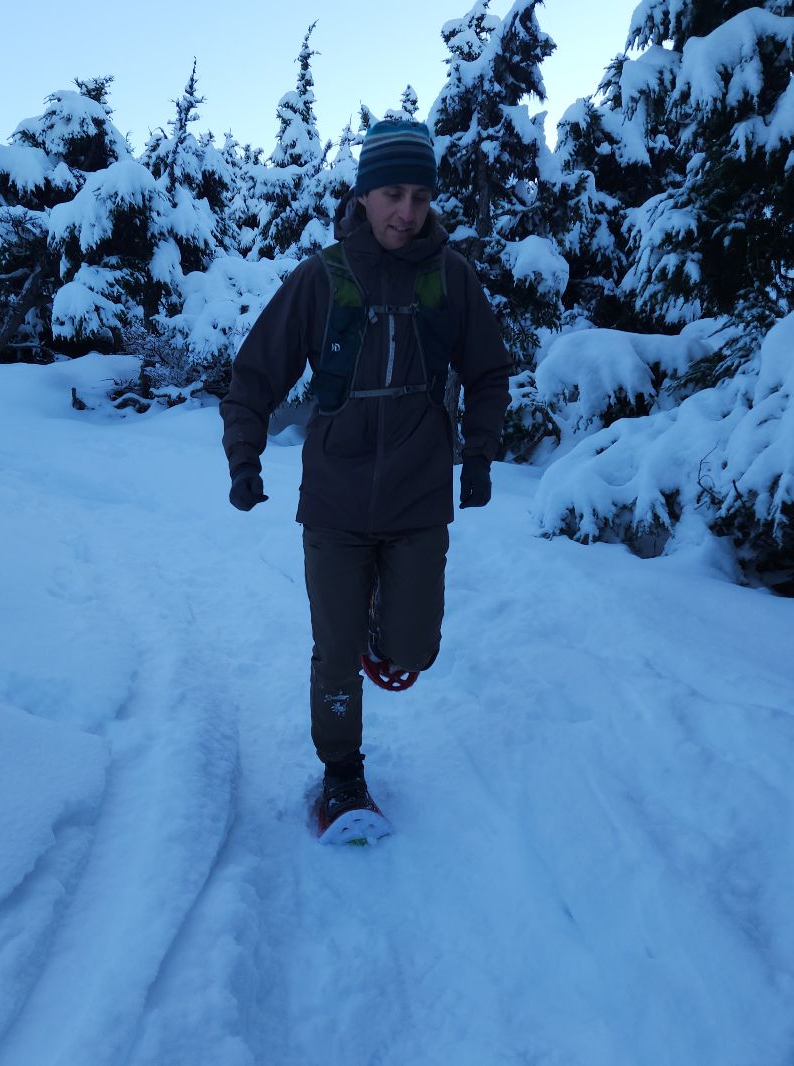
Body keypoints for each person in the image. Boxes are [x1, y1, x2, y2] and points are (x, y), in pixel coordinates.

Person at [220, 118, 512, 840]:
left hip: (417, 498)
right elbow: (254, 375)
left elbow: (489, 372)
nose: (405, 212)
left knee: (412, 651)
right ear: (362, 196)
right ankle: (343, 776)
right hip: (336, 501)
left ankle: (382, 622)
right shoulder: (324, 278)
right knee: (334, 652)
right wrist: (244, 459)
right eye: (391, 194)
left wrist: (476, 455)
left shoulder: (450, 277)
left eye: (418, 196)